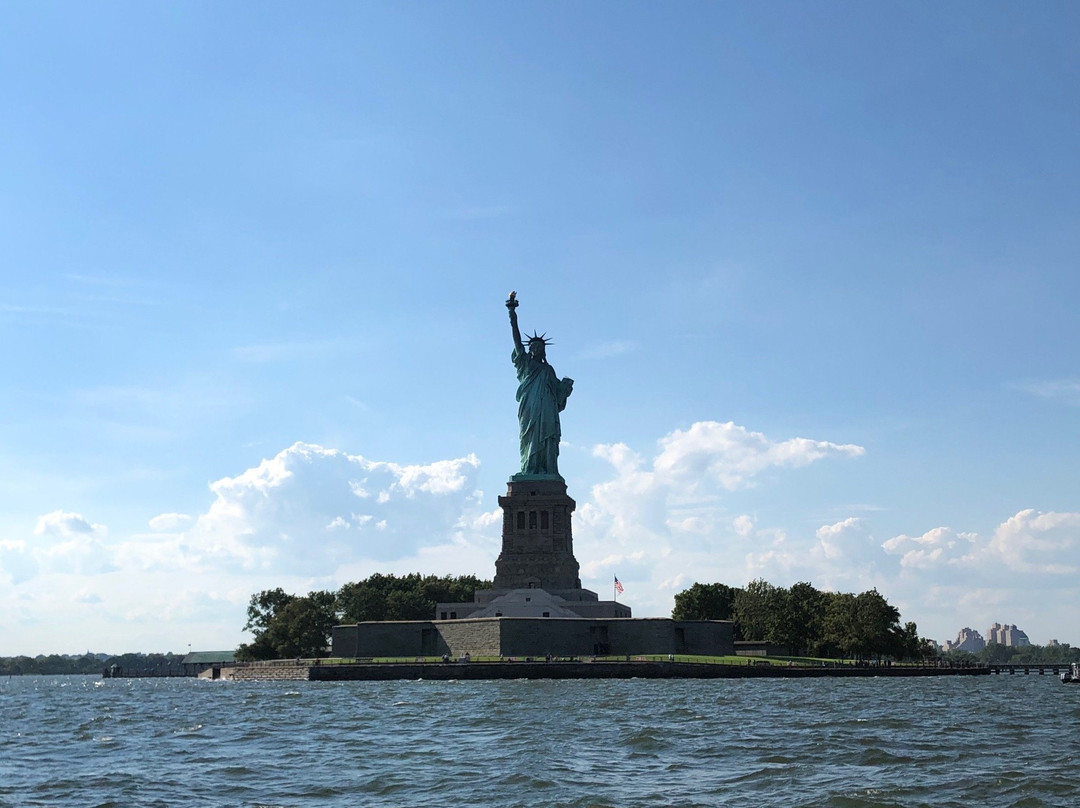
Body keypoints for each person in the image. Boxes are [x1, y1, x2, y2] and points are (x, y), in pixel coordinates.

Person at [506, 292, 573, 477]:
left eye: (539, 347)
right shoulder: (525, 363)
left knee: (548, 438)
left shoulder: (548, 370)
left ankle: (547, 469)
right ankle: (529, 468)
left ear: (543, 350)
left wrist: (565, 389)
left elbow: (558, 396)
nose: (535, 349)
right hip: (530, 408)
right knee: (529, 438)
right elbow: (517, 340)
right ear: (529, 349)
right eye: (533, 347)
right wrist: (512, 313)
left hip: (547, 410)